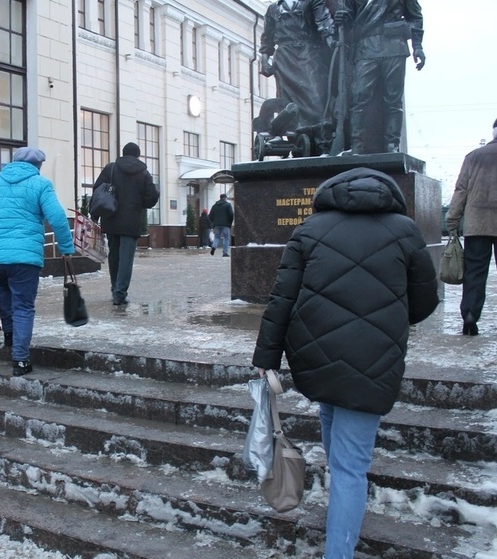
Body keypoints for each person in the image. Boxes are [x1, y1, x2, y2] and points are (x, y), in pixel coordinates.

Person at [252, 167, 438, 559]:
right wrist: (387, 318)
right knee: (351, 468)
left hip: (317, 356)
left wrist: (266, 358)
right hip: (374, 362)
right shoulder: (404, 230)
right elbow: (424, 301)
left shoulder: (310, 229)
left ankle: (341, 533)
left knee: (339, 450)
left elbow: (281, 300)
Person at [0, 147, 76, 376]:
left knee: (5, 292)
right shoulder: (41, 184)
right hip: (23, 257)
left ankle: (10, 337)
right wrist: (66, 247)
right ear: (38, 165)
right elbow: (56, 217)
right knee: (24, 306)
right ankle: (21, 359)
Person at [335, 0, 425, 154]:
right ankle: (357, 146)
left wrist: (418, 47)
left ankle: (392, 145)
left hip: (394, 46)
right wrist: (341, 18)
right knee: (359, 97)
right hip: (366, 47)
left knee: (393, 99)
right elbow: (350, 18)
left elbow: (415, 17)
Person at [259, 0, 335, 151]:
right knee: (286, 100)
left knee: (316, 98)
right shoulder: (273, 9)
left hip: (309, 55)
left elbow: (324, 23)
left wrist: (332, 43)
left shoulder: (313, 2)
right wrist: (265, 59)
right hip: (283, 59)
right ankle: (290, 137)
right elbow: (267, 37)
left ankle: (322, 140)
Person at [445, 118, 497, 336]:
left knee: (474, 272)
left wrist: (452, 221)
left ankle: (470, 316)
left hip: (477, 224)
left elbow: (461, 191)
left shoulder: (473, 157)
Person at [93, 142, 159, 305]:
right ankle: (120, 293)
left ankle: (114, 288)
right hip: (131, 221)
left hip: (111, 218)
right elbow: (151, 197)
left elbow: (97, 190)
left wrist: (95, 215)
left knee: (114, 256)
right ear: (138, 155)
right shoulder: (143, 173)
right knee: (126, 259)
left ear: (123, 153)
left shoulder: (111, 168)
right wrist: (138, 203)